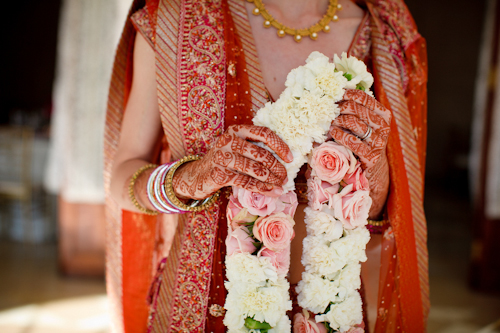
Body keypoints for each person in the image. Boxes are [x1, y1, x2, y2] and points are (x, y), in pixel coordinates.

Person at [104, 0, 429, 332]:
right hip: (200, 302)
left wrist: (370, 170)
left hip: (329, 309)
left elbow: (382, 217)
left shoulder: (386, 38)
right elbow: (121, 176)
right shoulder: (178, 19)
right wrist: (190, 179)